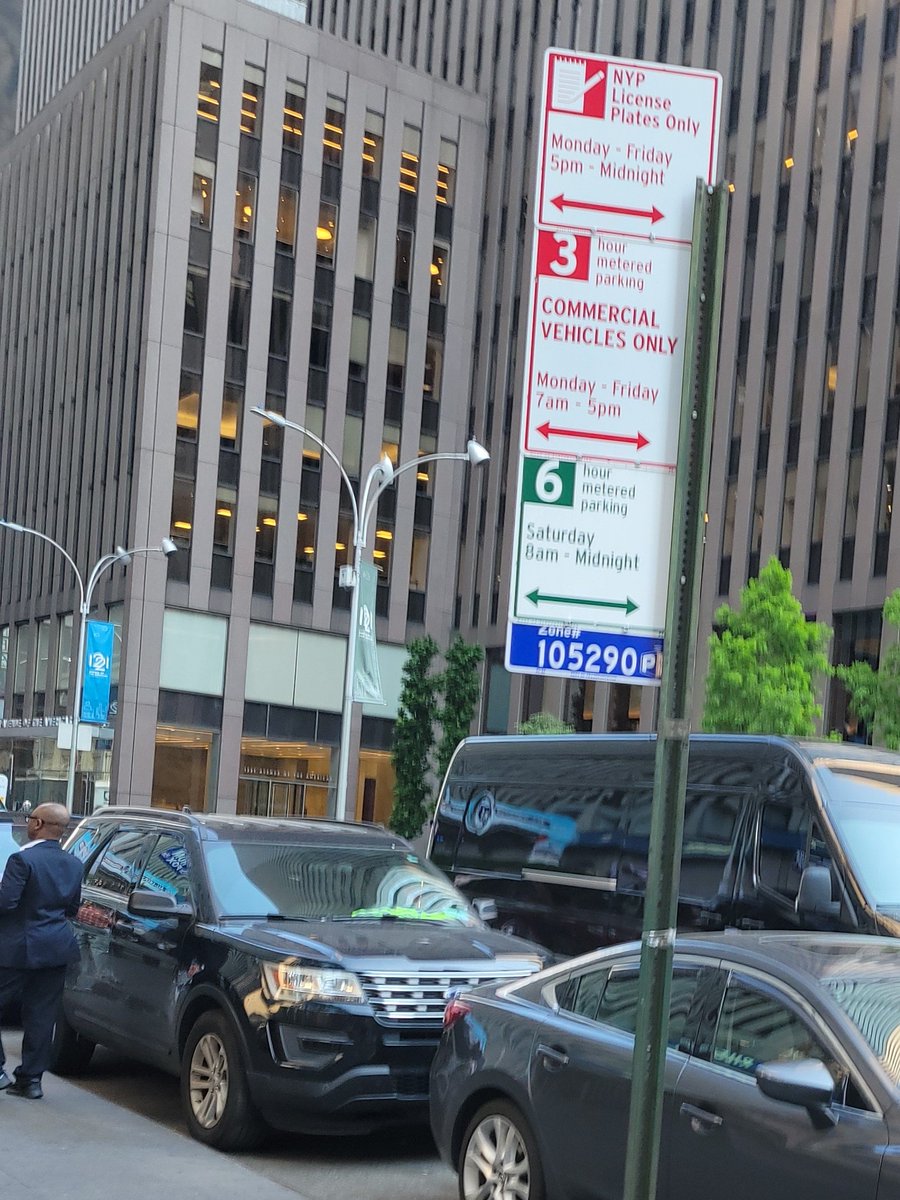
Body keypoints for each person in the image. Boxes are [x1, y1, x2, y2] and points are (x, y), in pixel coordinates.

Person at [0, 802, 83, 1098]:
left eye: (30, 818)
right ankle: (31, 1081)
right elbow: (72, 908)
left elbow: (6, 903)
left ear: (37, 824)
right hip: (56, 948)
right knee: (41, 1015)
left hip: (15, 949)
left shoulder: (22, 860)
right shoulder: (74, 863)